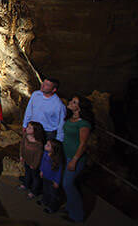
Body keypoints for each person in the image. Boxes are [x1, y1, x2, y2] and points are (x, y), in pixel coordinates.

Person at [61, 95, 93, 223]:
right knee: (67, 183)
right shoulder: (71, 118)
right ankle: (69, 207)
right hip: (65, 153)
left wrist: (74, 160)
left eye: (74, 102)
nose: (70, 102)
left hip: (74, 157)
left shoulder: (83, 123)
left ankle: (77, 215)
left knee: (68, 184)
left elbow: (83, 144)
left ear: (79, 108)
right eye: (72, 100)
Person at [19, 121, 45, 199]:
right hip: (26, 159)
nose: (27, 128)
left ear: (35, 131)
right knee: (27, 173)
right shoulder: (25, 136)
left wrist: (34, 165)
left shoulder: (38, 143)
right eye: (28, 127)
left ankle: (34, 191)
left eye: (30, 128)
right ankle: (26, 184)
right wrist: (21, 155)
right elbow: (22, 145)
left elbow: (38, 156)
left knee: (35, 177)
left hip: (33, 163)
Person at [39, 139, 64, 214]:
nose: (45, 145)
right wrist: (41, 170)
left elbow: (59, 172)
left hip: (52, 180)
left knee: (53, 193)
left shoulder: (57, 160)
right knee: (45, 189)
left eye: (48, 145)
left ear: (54, 149)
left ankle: (52, 207)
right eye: (46, 144)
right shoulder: (45, 153)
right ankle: (45, 200)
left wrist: (57, 181)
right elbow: (42, 162)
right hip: (45, 177)